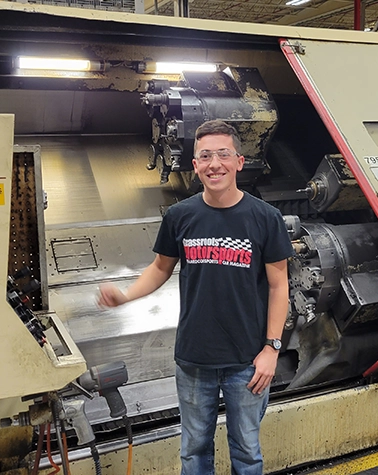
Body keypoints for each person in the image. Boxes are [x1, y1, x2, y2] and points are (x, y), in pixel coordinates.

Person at [98, 119, 293, 475]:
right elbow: (160, 268)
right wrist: (125, 296)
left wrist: (271, 349)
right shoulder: (180, 216)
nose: (213, 163)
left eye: (222, 154)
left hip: (248, 361)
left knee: (247, 451)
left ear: (239, 161)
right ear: (195, 165)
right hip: (194, 359)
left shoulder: (266, 219)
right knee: (194, 449)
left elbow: (280, 286)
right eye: (205, 156)